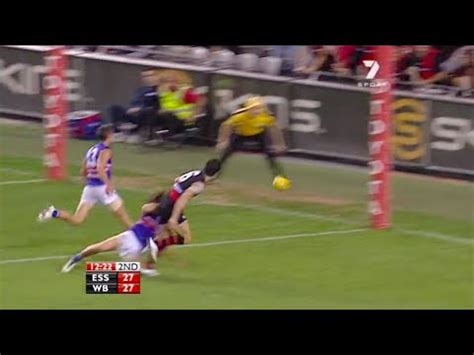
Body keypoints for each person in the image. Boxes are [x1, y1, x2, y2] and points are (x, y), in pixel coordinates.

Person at [61, 159, 222, 274]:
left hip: (131, 233)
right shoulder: (198, 186)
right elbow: (183, 199)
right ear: (215, 174)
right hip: (144, 235)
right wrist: (174, 218)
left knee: (100, 248)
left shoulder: (193, 175)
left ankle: (77, 258)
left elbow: (177, 181)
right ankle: (148, 262)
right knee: (122, 272)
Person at [37, 124, 133, 228]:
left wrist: (87, 180)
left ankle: (54, 212)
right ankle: (143, 238)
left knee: (77, 219)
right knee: (124, 217)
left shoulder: (92, 149)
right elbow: (100, 168)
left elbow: (83, 170)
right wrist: (108, 184)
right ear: (108, 135)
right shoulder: (106, 150)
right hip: (102, 188)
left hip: (90, 188)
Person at [60, 191, 166, 276]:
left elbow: (160, 234)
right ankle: (76, 258)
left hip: (137, 246)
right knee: (100, 247)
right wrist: (161, 206)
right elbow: (145, 207)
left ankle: (140, 268)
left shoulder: (164, 219)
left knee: (122, 272)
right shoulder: (150, 209)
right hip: (129, 235)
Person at [216, 96, 290, 186]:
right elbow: (226, 126)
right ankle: (214, 174)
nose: (257, 111)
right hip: (240, 133)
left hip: (258, 134)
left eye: (259, 108)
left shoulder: (266, 115)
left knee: (270, 154)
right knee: (225, 154)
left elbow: (274, 129)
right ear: (248, 108)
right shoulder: (239, 115)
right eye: (253, 108)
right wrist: (223, 140)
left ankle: (280, 177)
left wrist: (279, 144)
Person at [106, 67, 160, 143]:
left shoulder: (158, 90)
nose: (148, 78)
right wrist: (131, 108)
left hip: (146, 114)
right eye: (145, 76)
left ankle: (137, 134)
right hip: (132, 113)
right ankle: (118, 133)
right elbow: (134, 102)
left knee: (146, 112)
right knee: (114, 108)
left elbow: (156, 107)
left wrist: (139, 109)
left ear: (156, 77)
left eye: (151, 76)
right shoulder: (141, 90)